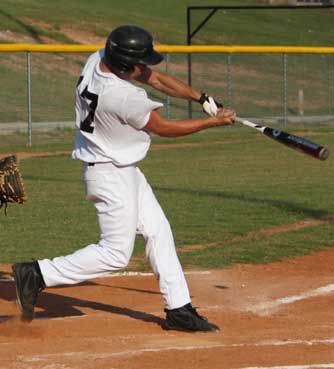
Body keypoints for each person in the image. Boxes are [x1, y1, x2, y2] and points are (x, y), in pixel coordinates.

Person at [12, 25, 235, 332]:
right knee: (116, 254)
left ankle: (179, 308)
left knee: (158, 230)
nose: (145, 68)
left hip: (121, 167)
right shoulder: (122, 97)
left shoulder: (99, 59)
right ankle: (37, 274)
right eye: (139, 63)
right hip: (108, 174)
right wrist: (213, 122)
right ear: (125, 65)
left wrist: (201, 97)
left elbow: (154, 78)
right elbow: (163, 127)